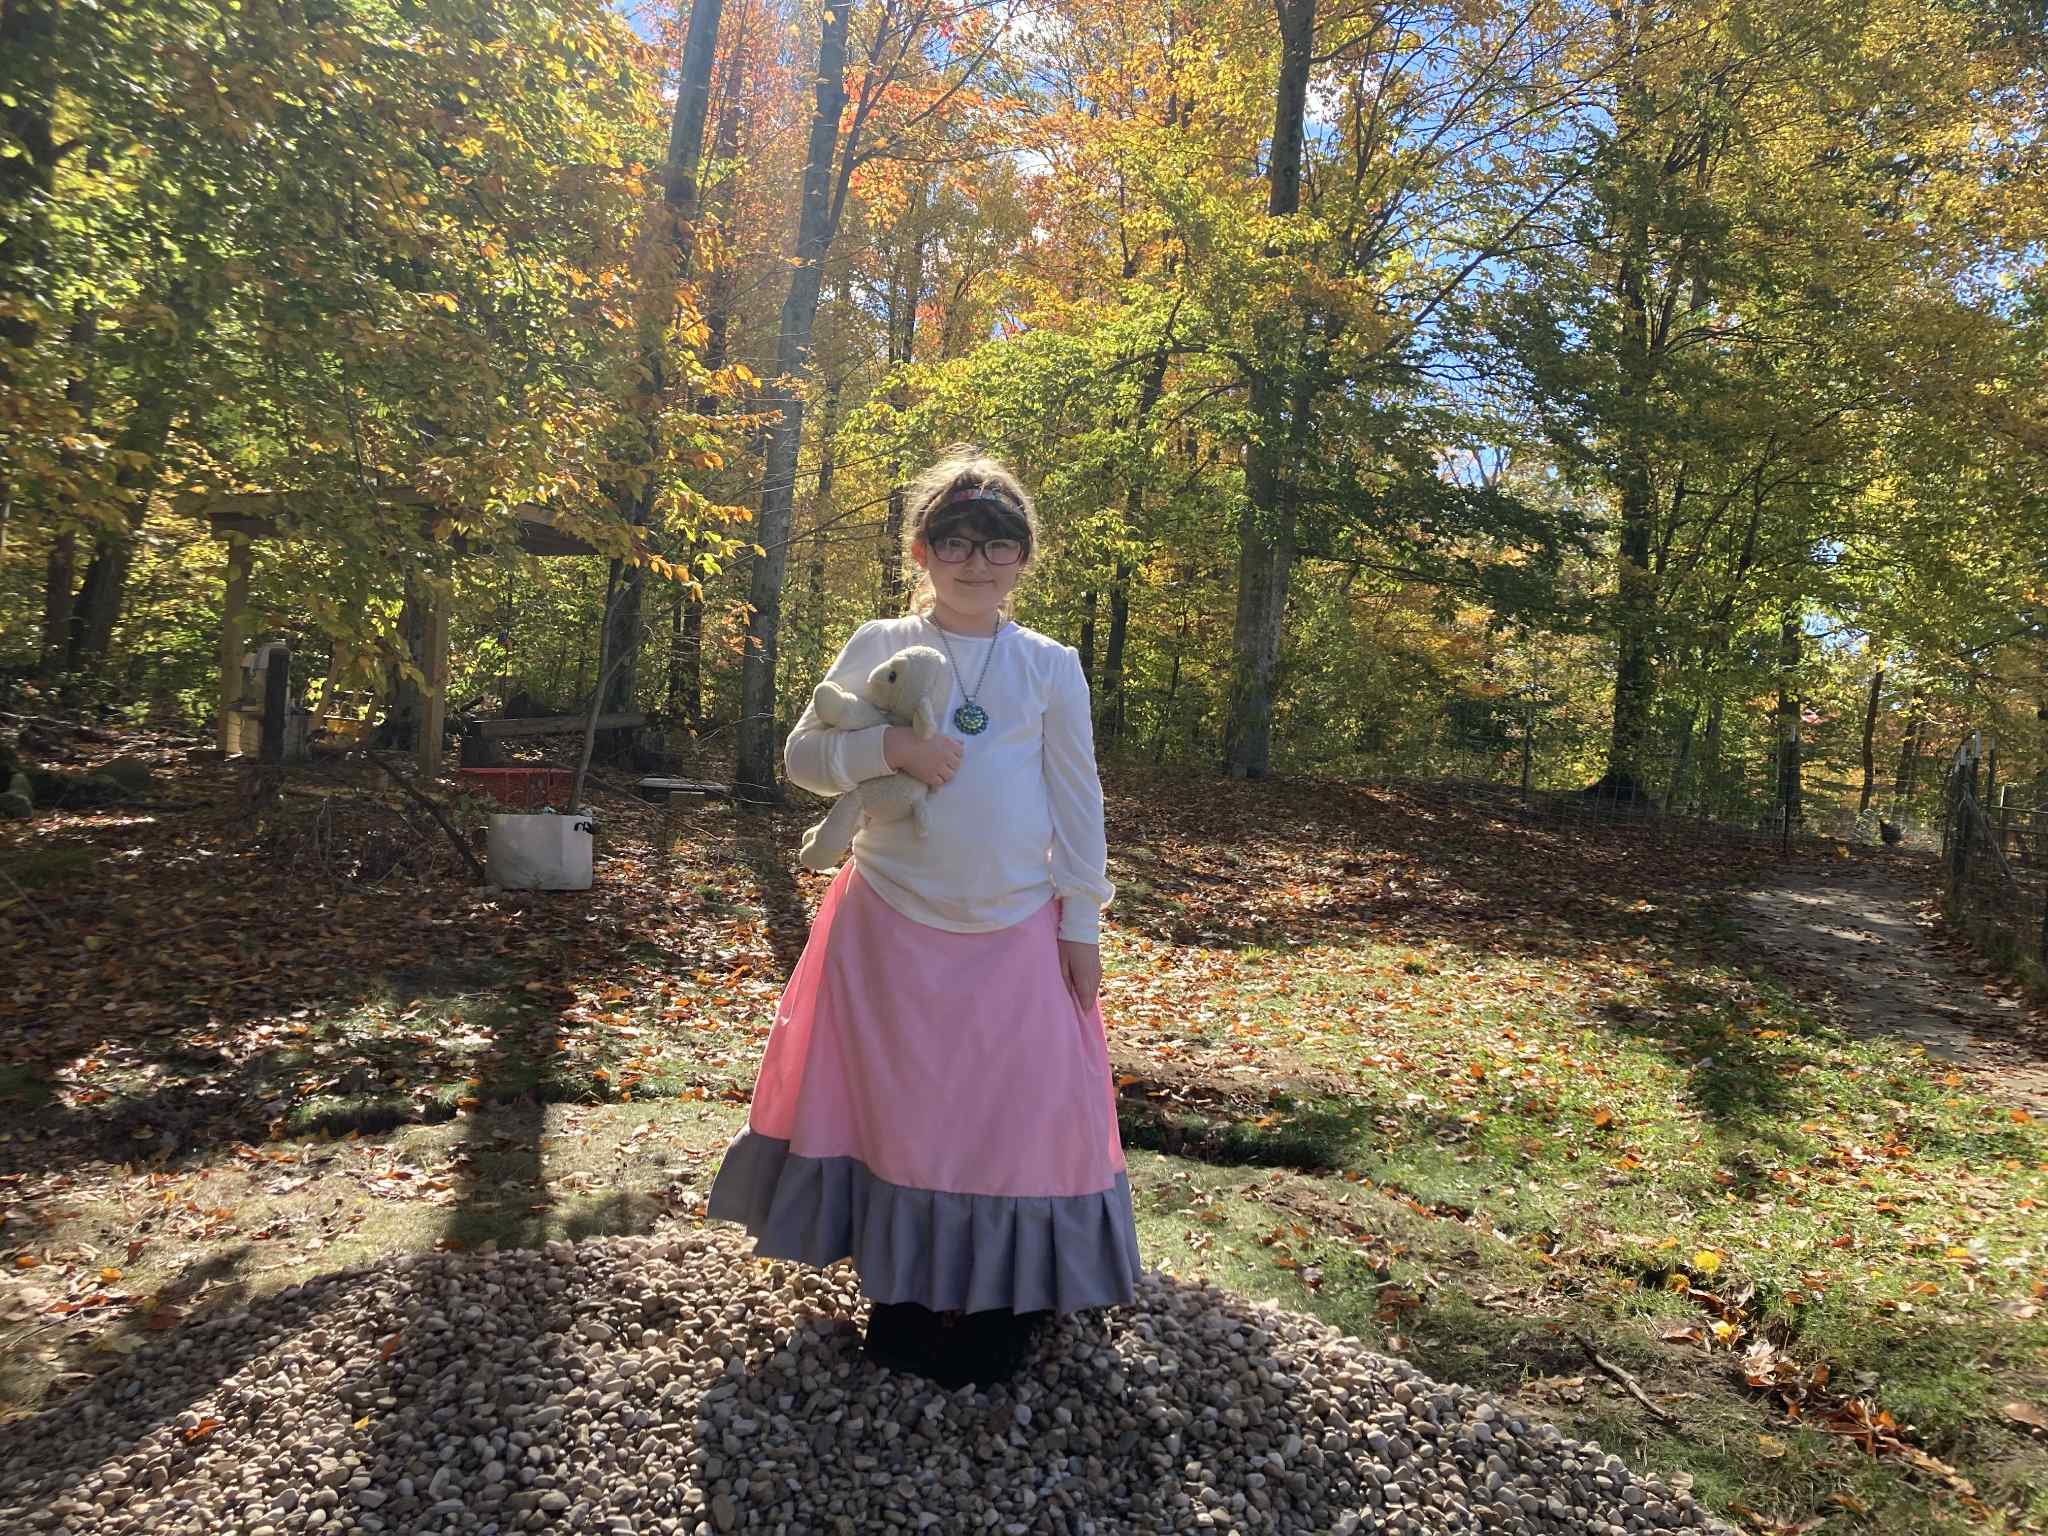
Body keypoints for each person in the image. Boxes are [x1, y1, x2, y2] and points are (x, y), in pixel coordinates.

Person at [705, 445, 1141, 1390]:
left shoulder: (1049, 667)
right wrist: (891, 745)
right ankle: (902, 1297)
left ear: (1027, 557)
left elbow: (1079, 801)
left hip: (1019, 927)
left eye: (999, 543)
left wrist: (1081, 925)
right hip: (888, 925)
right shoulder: (877, 643)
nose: (976, 560)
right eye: (954, 540)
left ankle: (1003, 1306)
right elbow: (802, 755)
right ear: (919, 548)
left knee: (1014, 1118)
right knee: (898, 1116)